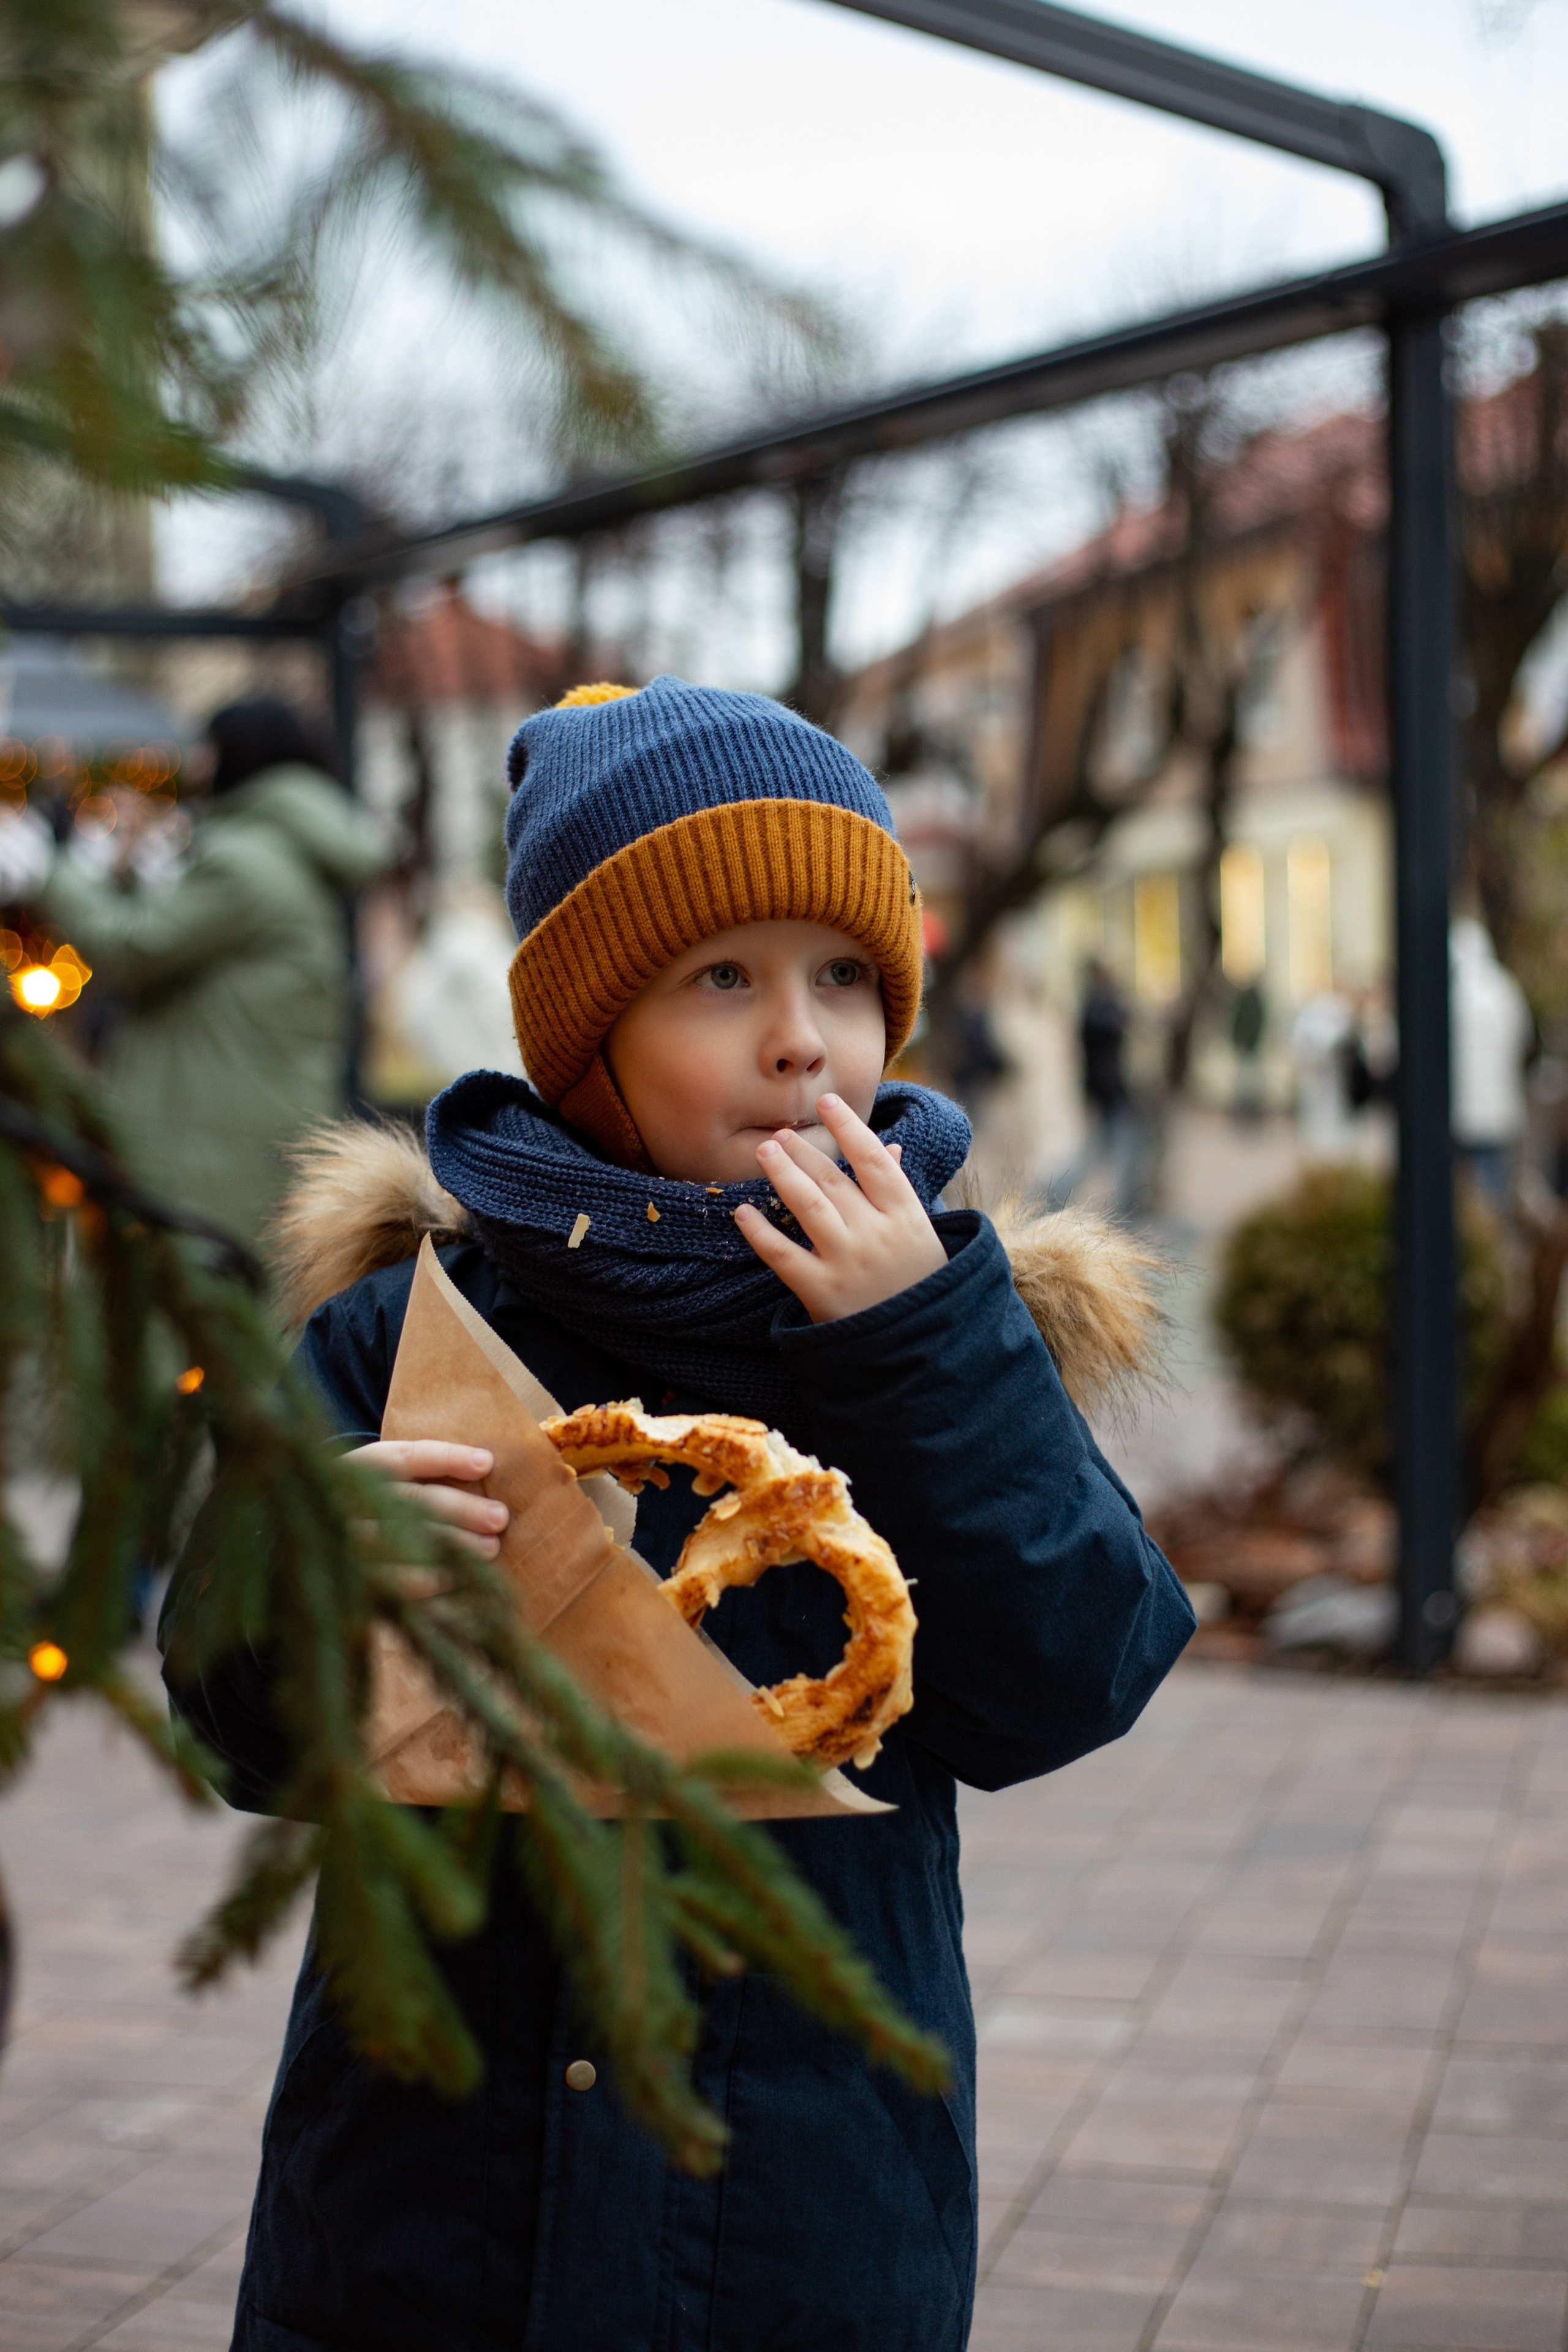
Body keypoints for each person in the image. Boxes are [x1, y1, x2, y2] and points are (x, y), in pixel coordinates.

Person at [162, 677, 1193, 2352]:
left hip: (797, 2215)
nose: (804, 1036)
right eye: (724, 978)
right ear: (585, 1038)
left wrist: (921, 1352)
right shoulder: (411, 1332)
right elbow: (243, 1729)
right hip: (422, 2220)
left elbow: (1066, 1684)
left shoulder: (945, 1329)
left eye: (846, 978)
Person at [35, 697, 386, 1245]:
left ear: (238, 756)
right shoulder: (285, 851)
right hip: (251, 1114)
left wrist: (56, 868)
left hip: (209, 1133)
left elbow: (133, 947)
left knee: (203, 1292)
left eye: (208, 750)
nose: (197, 767)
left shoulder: (244, 862)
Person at [1048, 958, 1142, 1216]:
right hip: (1106, 1093)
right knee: (1101, 1153)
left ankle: (1057, 1194)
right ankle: (1054, 1194)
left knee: (1105, 1151)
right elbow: (1115, 1025)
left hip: (1107, 1092)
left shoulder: (1096, 1006)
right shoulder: (1095, 1008)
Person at [1450, 914, 1532, 1205]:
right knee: (1493, 1185)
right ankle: (1493, 1241)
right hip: (1499, 1109)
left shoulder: (1453, 993)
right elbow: (1524, 1040)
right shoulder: (1505, 988)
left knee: (1461, 1190)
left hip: (1460, 1110)